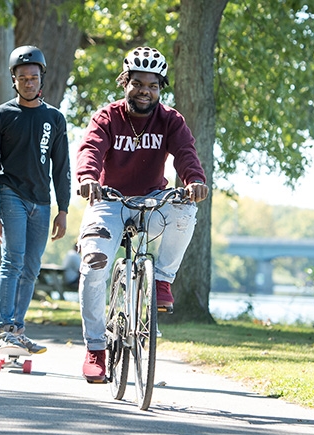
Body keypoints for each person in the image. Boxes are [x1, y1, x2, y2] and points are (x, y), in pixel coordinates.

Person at [75, 46, 210, 382]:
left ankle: (162, 280)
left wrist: (195, 181)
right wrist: (88, 178)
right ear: (125, 82)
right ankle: (95, 347)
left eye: (153, 85)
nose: (145, 91)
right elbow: (91, 148)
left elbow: (186, 154)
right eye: (138, 83)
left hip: (152, 200)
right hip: (110, 200)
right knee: (93, 265)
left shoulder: (170, 120)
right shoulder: (107, 117)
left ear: (160, 88)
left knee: (185, 208)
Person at [0, 45, 71, 354]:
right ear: (14, 80)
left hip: (42, 202)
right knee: (13, 260)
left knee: (32, 267)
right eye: (23, 78)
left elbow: (61, 167)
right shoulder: (0, 117)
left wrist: (64, 210)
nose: (29, 82)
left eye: (34, 77)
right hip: (11, 195)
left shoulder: (55, 119)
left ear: (41, 78)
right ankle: (2, 328)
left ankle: (17, 330)